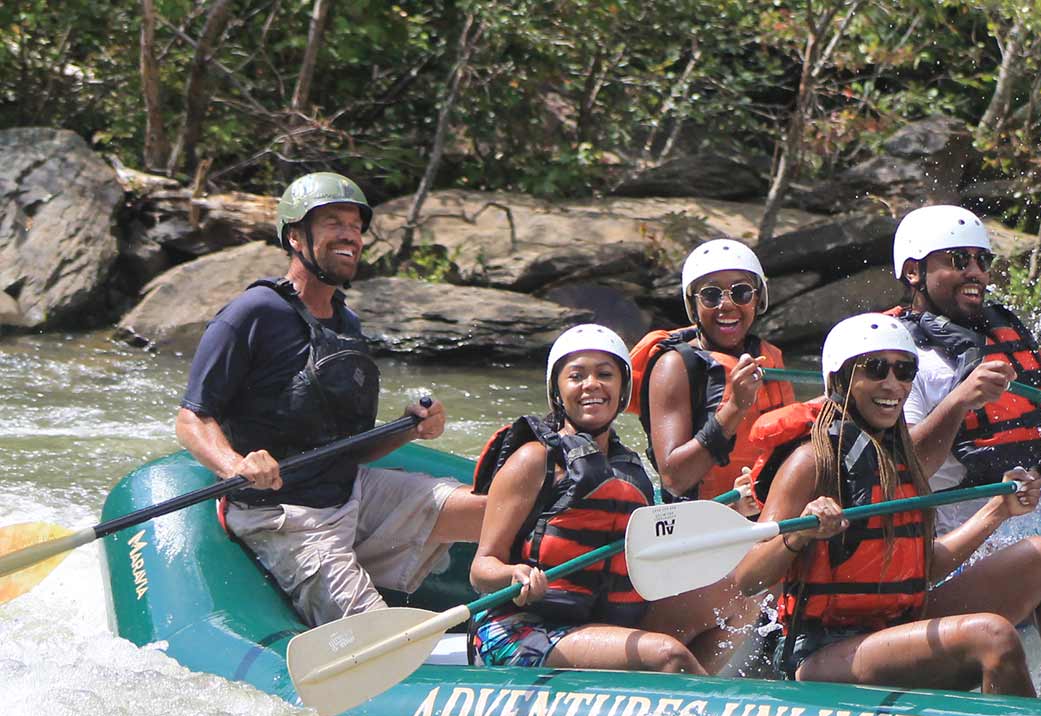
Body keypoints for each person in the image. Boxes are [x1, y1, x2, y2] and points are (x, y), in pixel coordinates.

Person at [175, 171, 484, 627]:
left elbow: (348, 447)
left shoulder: (346, 323)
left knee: (490, 511)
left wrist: (408, 427)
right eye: (335, 223)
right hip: (286, 516)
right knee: (381, 639)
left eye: (356, 227)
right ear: (296, 236)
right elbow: (192, 418)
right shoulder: (253, 314)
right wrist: (235, 466)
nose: (350, 236)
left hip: (350, 491)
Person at [735, 313, 1041, 702]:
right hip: (825, 653)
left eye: (904, 371)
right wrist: (798, 533)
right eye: (875, 370)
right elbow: (748, 579)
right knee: (991, 636)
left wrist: (997, 511)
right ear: (841, 380)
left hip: (898, 625)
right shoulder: (810, 462)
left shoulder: (899, 455)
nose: (893, 384)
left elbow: (925, 568)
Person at [468, 325, 750, 673]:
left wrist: (732, 511)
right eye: (576, 376)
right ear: (557, 390)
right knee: (667, 654)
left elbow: (658, 554)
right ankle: (702, 715)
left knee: (738, 595)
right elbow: (481, 569)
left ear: (622, 390)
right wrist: (515, 575)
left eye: (605, 374)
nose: (591, 385)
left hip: (601, 625)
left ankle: (693, 694)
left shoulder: (630, 471)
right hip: (521, 628)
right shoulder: (533, 460)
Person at [892, 205, 1041, 532]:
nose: (976, 272)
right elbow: (903, 469)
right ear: (914, 271)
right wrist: (960, 401)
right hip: (951, 538)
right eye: (958, 260)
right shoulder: (897, 356)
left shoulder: (1000, 330)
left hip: (1031, 520)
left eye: (982, 260)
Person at [628, 239, 797, 504]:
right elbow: (675, 479)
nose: (727, 305)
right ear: (693, 305)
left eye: (741, 292)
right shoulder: (674, 365)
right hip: (701, 523)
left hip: (764, 511)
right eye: (711, 295)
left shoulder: (769, 358)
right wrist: (736, 407)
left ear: (758, 299)